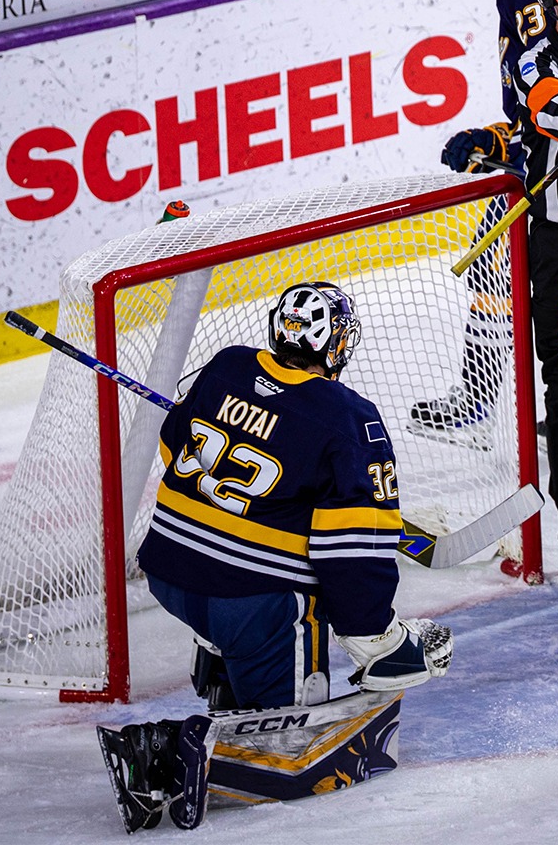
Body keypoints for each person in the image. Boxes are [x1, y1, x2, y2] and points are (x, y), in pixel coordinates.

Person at [99, 283, 451, 833]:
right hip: (252, 601)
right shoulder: (350, 418)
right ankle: (168, 751)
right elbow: (353, 553)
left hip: (169, 574)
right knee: (293, 724)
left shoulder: (226, 367)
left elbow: (173, 444)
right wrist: (379, 643)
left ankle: (222, 673)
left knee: (236, 601)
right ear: (335, 345)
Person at [425, 0, 558, 542]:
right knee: (492, 265)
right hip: (538, 151)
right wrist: (501, 134)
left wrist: (516, 146)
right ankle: (480, 394)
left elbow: (556, 94)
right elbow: (534, 94)